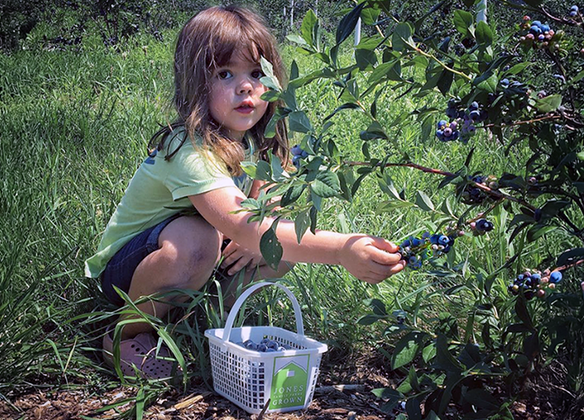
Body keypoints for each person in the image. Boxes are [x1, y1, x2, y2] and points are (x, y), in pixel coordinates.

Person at [85, 5, 406, 379]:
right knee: (200, 238)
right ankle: (124, 334)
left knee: (276, 254)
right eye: (225, 73)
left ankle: (206, 328)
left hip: (193, 262)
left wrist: (260, 229)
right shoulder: (190, 150)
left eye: (256, 73)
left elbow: (264, 208)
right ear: (195, 83)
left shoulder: (260, 142)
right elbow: (244, 226)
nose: (246, 86)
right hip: (127, 273)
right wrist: (341, 249)